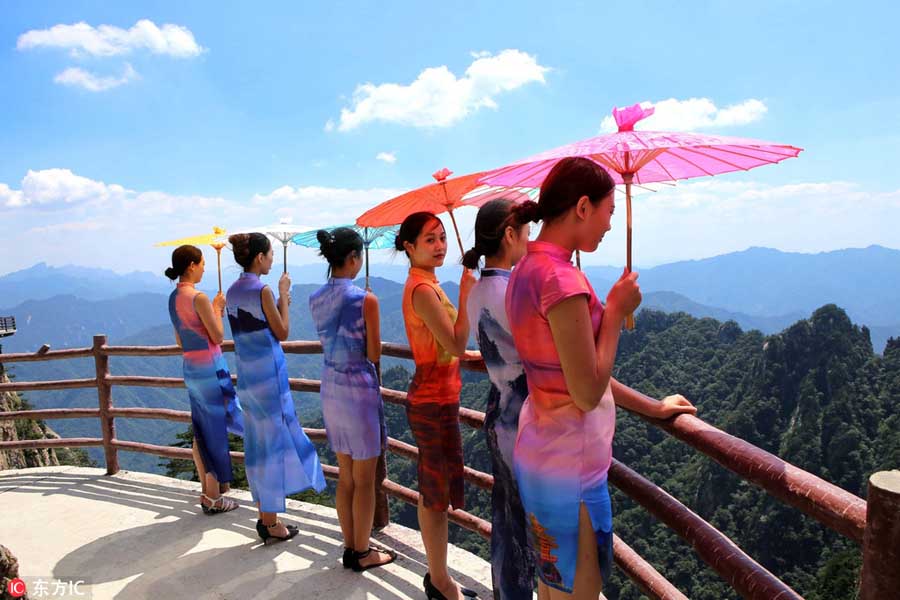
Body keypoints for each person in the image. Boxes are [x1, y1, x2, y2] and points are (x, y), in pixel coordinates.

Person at [506, 157, 697, 599]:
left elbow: (574, 373)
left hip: (539, 457)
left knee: (553, 588)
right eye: (609, 212)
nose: (610, 226)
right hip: (571, 470)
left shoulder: (526, 271)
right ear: (583, 207)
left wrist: (654, 407)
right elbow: (588, 391)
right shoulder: (561, 280)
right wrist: (613, 314)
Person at [396, 212, 479, 600]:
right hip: (431, 402)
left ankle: (439, 577)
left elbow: (455, 344)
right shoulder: (423, 289)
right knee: (434, 496)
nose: (441, 245)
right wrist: (466, 294)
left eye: (442, 237)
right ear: (409, 247)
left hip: (440, 399)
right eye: (429, 239)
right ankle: (440, 581)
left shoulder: (429, 283)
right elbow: (457, 345)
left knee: (438, 494)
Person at [226, 232, 326, 544]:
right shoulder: (262, 290)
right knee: (273, 444)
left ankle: (267, 515)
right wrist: (284, 296)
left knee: (258, 444)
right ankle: (269, 521)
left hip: (246, 375)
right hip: (269, 376)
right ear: (259, 257)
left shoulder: (232, 290)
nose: (271, 259)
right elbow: (282, 331)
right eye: (269, 254)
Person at [308, 227, 396, 571]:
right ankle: (362, 552)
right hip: (357, 390)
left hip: (330, 386)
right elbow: (373, 352)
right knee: (365, 480)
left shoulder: (315, 298)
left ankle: (350, 545)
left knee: (346, 477)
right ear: (354, 258)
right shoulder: (364, 299)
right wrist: (370, 306)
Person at [461, 199, 535, 600]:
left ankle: (507, 592)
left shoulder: (476, 291)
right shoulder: (514, 292)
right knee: (531, 521)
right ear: (510, 235)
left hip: (497, 409)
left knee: (506, 515)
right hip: (526, 416)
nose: (530, 239)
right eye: (526, 232)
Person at [166, 245, 244, 515]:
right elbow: (218, 336)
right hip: (211, 367)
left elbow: (179, 339)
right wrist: (217, 308)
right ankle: (213, 497)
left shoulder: (172, 297)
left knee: (202, 428)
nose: (204, 267)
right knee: (216, 429)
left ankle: (208, 490)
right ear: (190, 265)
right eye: (201, 263)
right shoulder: (198, 297)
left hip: (191, 367)